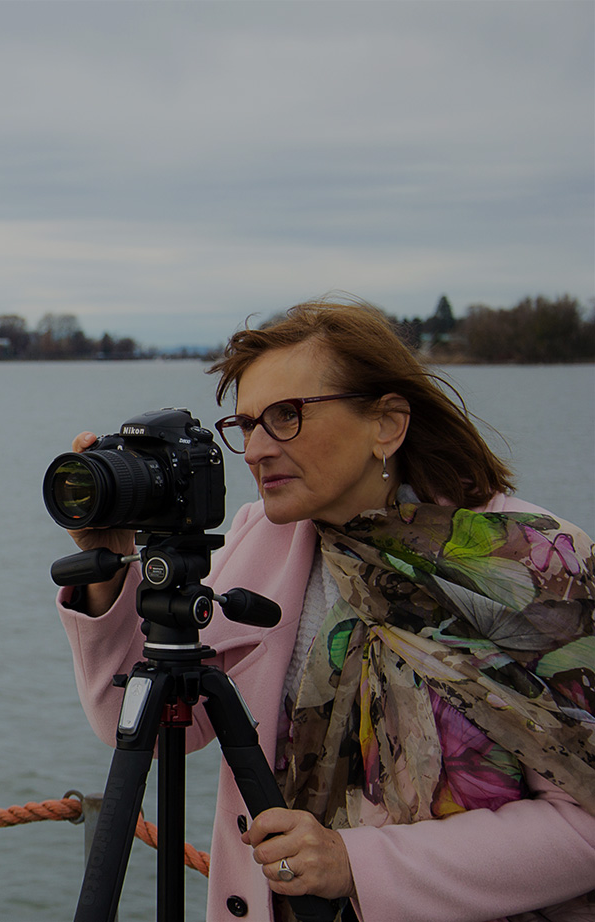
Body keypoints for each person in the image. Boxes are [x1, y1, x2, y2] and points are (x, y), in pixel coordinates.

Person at [56, 299, 595, 921]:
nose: (256, 449)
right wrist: (109, 572)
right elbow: (140, 725)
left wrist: (356, 864)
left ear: (387, 424)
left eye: (286, 417)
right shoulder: (263, 540)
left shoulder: (539, 566)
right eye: (247, 424)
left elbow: (583, 825)